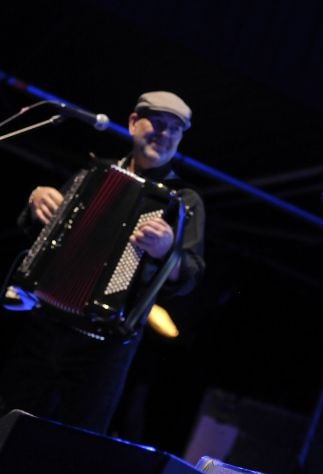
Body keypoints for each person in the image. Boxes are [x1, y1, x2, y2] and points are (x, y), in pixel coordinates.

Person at [0, 91, 205, 434]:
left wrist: (168, 250)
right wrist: (36, 201)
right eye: (156, 122)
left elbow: (191, 276)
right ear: (132, 122)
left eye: (175, 129)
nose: (164, 134)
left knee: (75, 441)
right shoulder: (94, 173)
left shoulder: (183, 201)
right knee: (8, 417)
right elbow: (39, 236)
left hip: (103, 346)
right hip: (45, 324)